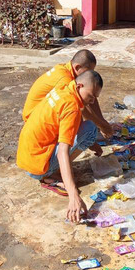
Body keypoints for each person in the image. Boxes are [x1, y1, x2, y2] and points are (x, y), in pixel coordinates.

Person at [17, 70, 103, 222]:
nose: (92, 102)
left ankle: (52, 171)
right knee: (90, 129)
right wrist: (73, 195)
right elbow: (62, 151)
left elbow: (71, 125)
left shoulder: (63, 89)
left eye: (95, 98)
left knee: (85, 129)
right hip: (38, 167)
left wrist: (93, 144)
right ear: (79, 85)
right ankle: (49, 175)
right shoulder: (71, 107)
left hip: (27, 158)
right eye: (90, 96)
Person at [22, 49, 113, 142]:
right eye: (88, 71)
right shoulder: (65, 79)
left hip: (41, 116)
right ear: (77, 67)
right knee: (80, 121)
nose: (89, 75)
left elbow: (91, 95)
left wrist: (103, 121)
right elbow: (82, 109)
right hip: (34, 121)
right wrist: (102, 126)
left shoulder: (67, 69)